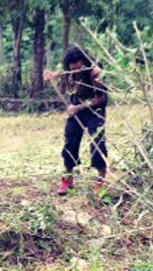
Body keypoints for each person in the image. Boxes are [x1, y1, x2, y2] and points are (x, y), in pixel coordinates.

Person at [44, 47, 108, 196]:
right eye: (73, 69)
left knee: (98, 143)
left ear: (84, 63)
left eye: (79, 68)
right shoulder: (67, 73)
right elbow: (57, 74)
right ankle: (68, 179)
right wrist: (51, 75)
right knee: (70, 142)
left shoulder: (94, 74)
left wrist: (78, 107)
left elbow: (101, 99)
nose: (76, 72)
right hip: (75, 111)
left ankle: (100, 183)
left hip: (94, 111)